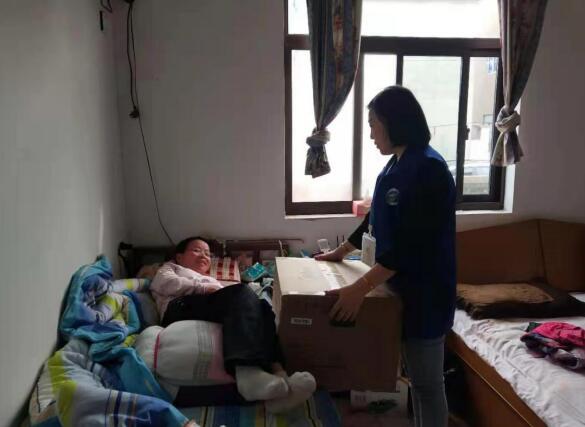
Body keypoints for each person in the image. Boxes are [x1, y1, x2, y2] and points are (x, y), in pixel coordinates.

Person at [316, 86, 456, 427]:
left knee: (427, 385)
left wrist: (359, 288)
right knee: (415, 381)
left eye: (373, 124)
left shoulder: (430, 169)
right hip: (396, 288)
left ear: (394, 122)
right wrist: (340, 252)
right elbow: (374, 222)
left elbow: (411, 245)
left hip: (425, 294)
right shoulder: (394, 166)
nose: (371, 134)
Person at [150, 236, 316, 413]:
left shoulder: (210, 278)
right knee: (241, 291)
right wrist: (204, 287)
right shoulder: (171, 268)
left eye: (207, 253)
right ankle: (246, 372)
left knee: (263, 308)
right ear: (179, 257)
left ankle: (279, 378)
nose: (204, 256)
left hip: (204, 306)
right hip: (178, 307)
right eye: (197, 250)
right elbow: (164, 283)